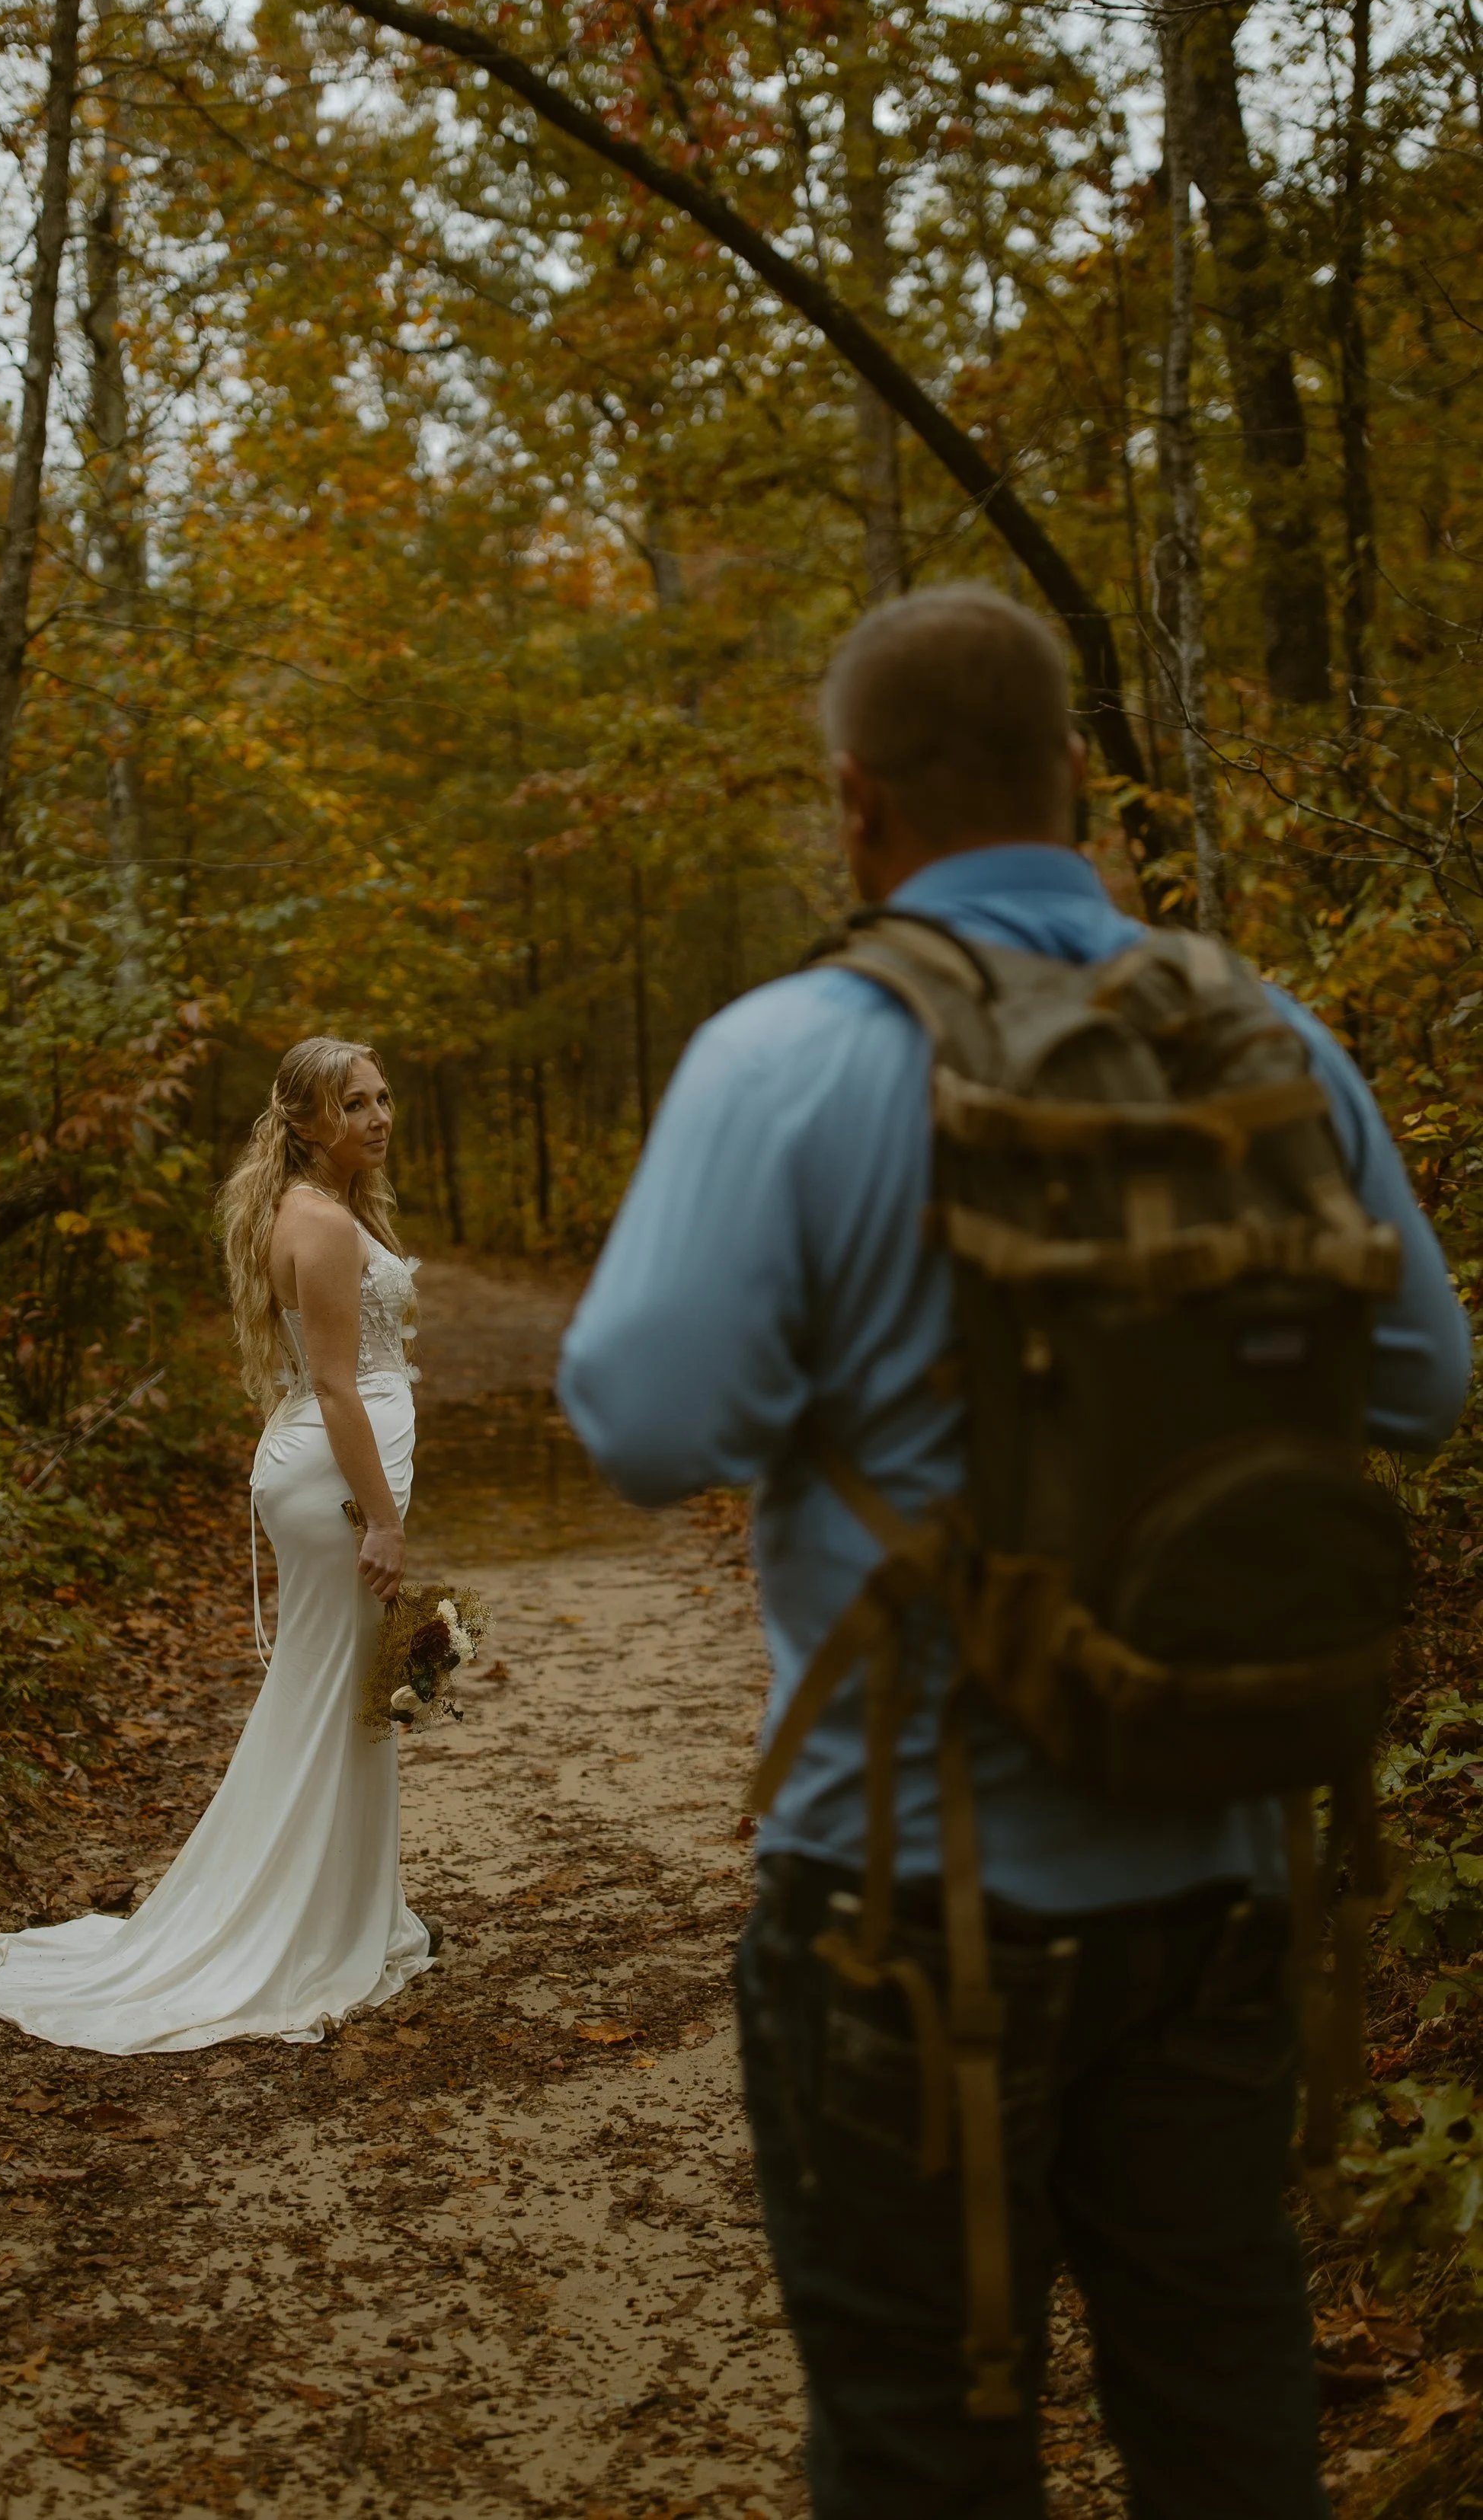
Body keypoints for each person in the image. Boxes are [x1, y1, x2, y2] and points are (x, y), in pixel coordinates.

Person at [557, 586, 1470, 2520]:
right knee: (1226, 2422)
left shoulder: (783, 1058)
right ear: (1076, 782)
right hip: (1223, 1884)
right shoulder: (1262, 1034)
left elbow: (641, 1428)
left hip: (898, 1901)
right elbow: (1419, 1379)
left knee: (917, 2445)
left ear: (851, 805)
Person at [0, 1035, 435, 2052]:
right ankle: (293, 1928)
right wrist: (383, 1518)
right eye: (356, 1103)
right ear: (306, 1120)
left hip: (323, 1474)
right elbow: (341, 1385)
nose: (379, 1116)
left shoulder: (313, 1207)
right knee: (332, 1700)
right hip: (337, 1485)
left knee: (338, 1698)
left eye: (384, 1097)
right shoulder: (323, 1224)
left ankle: (344, 1909)